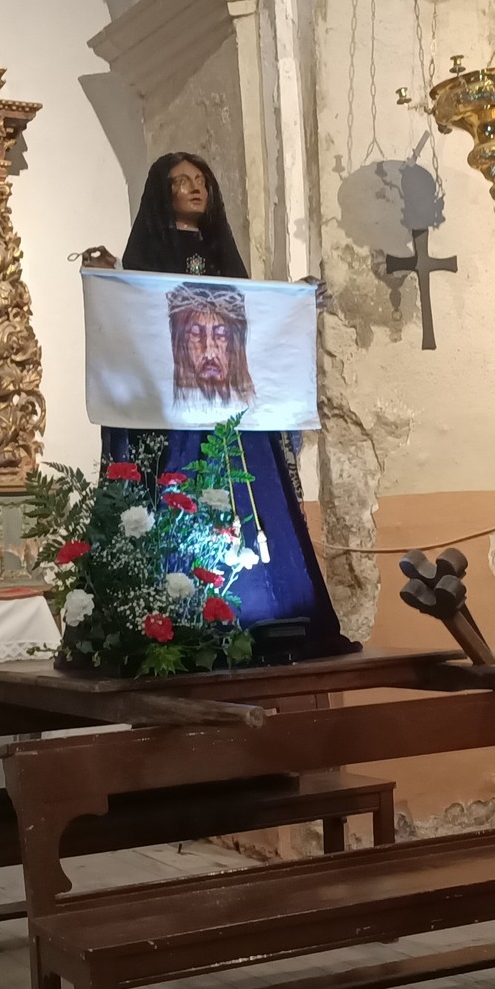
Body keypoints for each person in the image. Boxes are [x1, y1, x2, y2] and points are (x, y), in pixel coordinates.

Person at [109, 153, 351, 658]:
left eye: (202, 182)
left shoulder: (221, 255)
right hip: (179, 417)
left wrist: (292, 299)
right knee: (184, 501)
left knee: (258, 502)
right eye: (182, 183)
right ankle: (182, 616)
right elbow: (134, 320)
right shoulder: (148, 260)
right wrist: (107, 278)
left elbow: (253, 311)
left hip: (234, 413)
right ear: (162, 194)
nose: (195, 189)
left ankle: (273, 608)